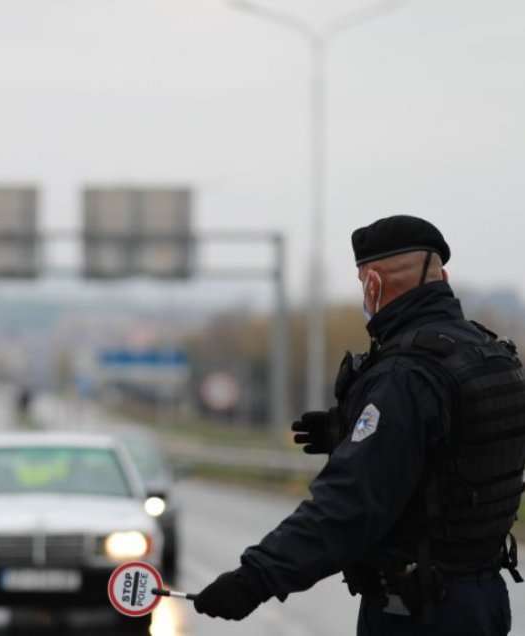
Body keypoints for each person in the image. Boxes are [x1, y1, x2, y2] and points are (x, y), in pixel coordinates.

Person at [194, 215, 525, 635]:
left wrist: (256, 577)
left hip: (418, 611)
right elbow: (456, 450)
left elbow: (350, 503)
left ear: (373, 284)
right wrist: (347, 430)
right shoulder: (488, 354)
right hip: (483, 600)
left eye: (361, 284)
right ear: (442, 276)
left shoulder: (405, 374)